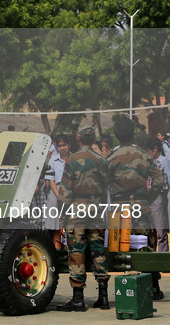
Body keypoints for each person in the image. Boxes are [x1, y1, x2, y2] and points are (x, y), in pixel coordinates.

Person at [108, 117, 165, 300]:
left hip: (119, 210)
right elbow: (159, 181)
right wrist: (148, 197)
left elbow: (103, 183)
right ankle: (153, 286)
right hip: (141, 207)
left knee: (121, 247)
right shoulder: (145, 155)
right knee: (146, 246)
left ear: (116, 136)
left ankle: (124, 287)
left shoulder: (110, 158)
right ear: (133, 134)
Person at [56, 127, 109, 312]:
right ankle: (103, 297)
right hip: (96, 210)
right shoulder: (102, 160)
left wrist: (62, 218)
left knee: (76, 251)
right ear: (93, 138)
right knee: (98, 250)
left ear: (78, 139)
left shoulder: (72, 160)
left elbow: (65, 194)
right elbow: (105, 190)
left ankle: (78, 299)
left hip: (77, 210)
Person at [45, 134, 71, 246]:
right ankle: (58, 252)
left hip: (71, 192)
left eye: (64, 145)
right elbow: (51, 181)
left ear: (69, 145)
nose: (62, 148)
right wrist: (59, 196)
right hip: (55, 191)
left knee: (71, 226)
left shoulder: (74, 159)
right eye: (59, 146)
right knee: (56, 226)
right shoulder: (53, 160)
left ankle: (72, 253)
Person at [145, 137, 169, 252]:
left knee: (160, 231)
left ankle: (163, 257)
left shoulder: (161, 163)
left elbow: (165, 185)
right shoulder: (146, 163)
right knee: (149, 231)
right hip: (147, 199)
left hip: (157, 198)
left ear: (154, 150)